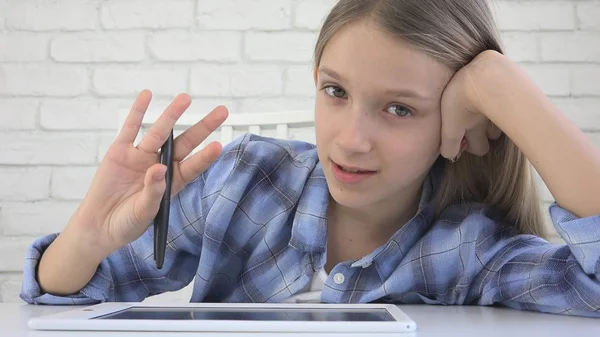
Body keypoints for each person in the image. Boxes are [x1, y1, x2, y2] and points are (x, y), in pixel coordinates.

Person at [20, 0, 600, 317]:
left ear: (467, 129)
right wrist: (90, 235)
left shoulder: (471, 250)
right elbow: (67, 295)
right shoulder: (243, 179)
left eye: (399, 109)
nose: (351, 140)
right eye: (336, 92)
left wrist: (499, 85)